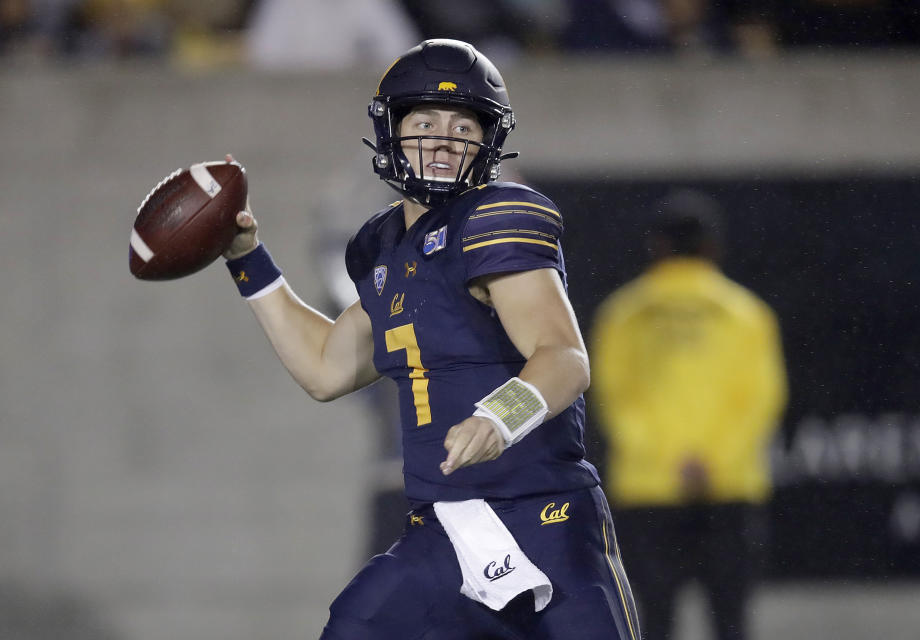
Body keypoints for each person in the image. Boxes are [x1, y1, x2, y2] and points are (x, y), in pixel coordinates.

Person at [220, 39, 640, 640]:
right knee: (355, 627)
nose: (442, 138)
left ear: (486, 140)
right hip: (444, 531)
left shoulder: (496, 217)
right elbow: (325, 368)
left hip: (544, 517)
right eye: (423, 122)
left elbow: (565, 357)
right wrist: (246, 258)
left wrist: (499, 417)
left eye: (461, 124)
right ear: (391, 132)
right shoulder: (383, 248)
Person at [589, 189, 788, 640]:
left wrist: (669, 461)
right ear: (713, 246)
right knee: (732, 623)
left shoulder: (622, 315)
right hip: (729, 488)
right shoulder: (747, 315)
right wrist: (709, 462)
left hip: (649, 490)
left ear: (656, 245)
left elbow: (617, 401)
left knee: (654, 622)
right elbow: (760, 401)